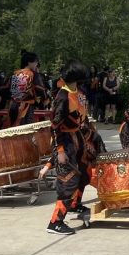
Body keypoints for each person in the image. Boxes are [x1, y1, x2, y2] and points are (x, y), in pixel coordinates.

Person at [46, 60, 92, 235]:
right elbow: (54, 126)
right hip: (65, 140)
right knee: (68, 180)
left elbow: (83, 118)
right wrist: (60, 151)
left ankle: (74, 204)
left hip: (77, 138)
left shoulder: (78, 94)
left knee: (84, 172)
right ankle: (55, 222)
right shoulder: (63, 96)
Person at [2, 50, 46, 127]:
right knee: (26, 130)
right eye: (36, 62)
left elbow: (4, 89)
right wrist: (39, 102)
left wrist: (10, 99)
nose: (36, 64)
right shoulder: (34, 74)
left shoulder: (14, 74)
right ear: (29, 62)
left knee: (13, 129)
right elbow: (40, 90)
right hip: (27, 108)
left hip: (13, 106)